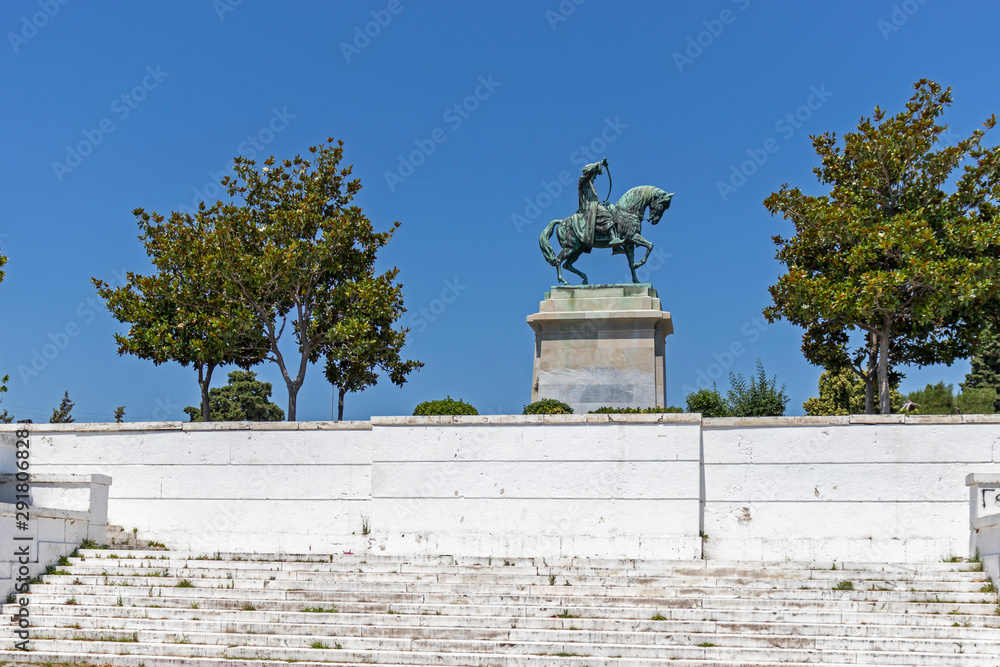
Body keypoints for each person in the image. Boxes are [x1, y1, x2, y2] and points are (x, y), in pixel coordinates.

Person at [578, 158, 624, 246]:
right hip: (589, 207)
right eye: (594, 174)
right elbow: (589, 172)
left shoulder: (591, 185)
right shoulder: (583, 181)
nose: (595, 177)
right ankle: (613, 238)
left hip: (595, 206)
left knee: (613, 213)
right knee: (606, 215)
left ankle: (615, 244)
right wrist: (600, 163)